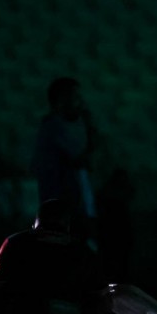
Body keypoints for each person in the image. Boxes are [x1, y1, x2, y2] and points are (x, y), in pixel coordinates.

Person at [32, 77, 98, 249]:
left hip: (72, 204)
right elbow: (79, 158)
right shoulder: (53, 127)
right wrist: (90, 124)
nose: (80, 102)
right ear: (61, 99)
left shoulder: (63, 127)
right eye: (75, 97)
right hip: (63, 205)